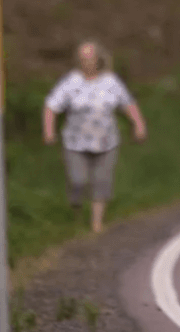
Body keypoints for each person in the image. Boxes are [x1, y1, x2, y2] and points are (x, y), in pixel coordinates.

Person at [42, 40, 147, 233]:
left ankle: (96, 223)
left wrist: (138, 125)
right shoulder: (71, 82)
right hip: (75, 142)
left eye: (90, 58)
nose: (86, 62)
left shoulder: (110, 82)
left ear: (98, 60)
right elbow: (51, 106)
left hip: (106, 141)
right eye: (83, 59)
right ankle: (76, 209)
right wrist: (49, 131)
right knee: (78, 180)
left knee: (102, 181)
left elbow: (128, 103)